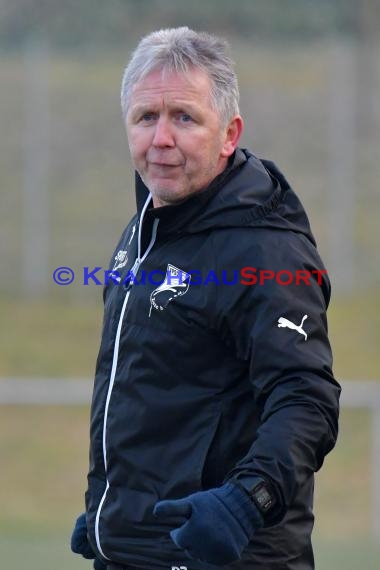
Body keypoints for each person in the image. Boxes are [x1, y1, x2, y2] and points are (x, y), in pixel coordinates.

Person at [71, 27, 340, 570]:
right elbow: (153, 389)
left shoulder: (265, 249)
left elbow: (306, 401)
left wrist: (245, 504)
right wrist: (111, 513)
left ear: (229, 134)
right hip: (137, 551)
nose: (160, 138)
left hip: (225, 556)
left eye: (184, 118)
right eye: (146, 118)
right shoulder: (149, 227)